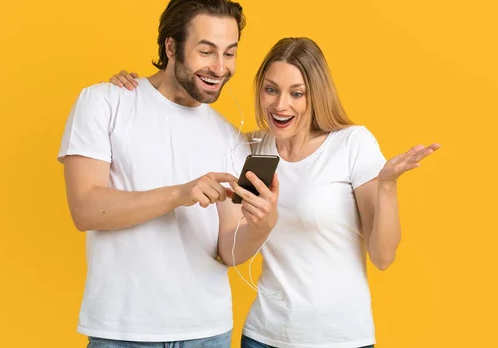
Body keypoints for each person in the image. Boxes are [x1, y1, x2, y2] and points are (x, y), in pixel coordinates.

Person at [109, 37, 440, 348]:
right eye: (271, 90)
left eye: (297, 93)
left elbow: (383, 257)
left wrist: (387, 185)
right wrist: (142, 92)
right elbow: (188, 123)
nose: (281, 105)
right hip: (262, 336)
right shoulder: (248, 148)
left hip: (338, 339)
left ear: (317, 94)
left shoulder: (352, 144)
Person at [57, 0, 279, 348]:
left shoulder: (229, 136)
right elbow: (85, 209)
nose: (219, 68)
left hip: (209, 332)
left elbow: (229, 251)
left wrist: (263, 224)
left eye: (229, 53)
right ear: (171, 47)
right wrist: (179, 194)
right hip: (123, 333)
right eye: (206, 51)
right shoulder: (105, 103)